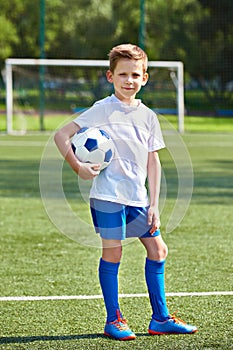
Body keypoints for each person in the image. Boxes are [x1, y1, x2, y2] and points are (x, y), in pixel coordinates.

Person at [54, 43, 197, 341]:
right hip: (107, 197)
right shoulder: (102, 110)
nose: (128, 80)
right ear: (110, 76)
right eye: (122, 74)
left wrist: (154, 203)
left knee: (158, 250)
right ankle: (114, 320)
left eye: (135, 74)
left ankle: (160, 318)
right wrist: (78, 166)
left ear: (144, 78)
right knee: (114, 253)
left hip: (138, 199)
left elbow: (153, 160)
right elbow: (62, 135)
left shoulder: (148, 117)